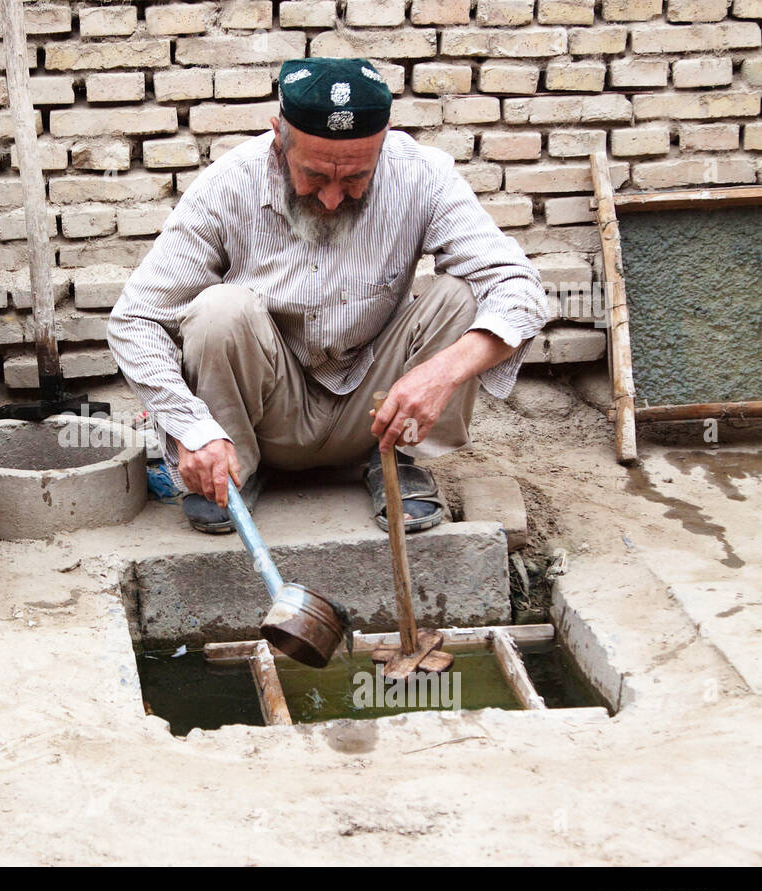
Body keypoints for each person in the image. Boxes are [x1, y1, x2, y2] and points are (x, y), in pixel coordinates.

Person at [108, 56, 549, 534]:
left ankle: (398, 465)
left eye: (356, 178)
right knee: (219, 311)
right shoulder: (228, 185)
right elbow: (135, 319)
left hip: (379, 414)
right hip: (269, 414)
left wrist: (443, 373)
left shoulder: (423, 174)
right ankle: (233, 470)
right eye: (315, 176)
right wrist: (191, 430)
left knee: (462, 296)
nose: (333, 198)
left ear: (383, 143)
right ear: (279, 138)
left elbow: (519, 288)